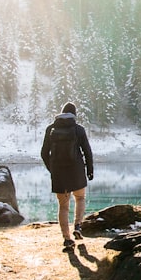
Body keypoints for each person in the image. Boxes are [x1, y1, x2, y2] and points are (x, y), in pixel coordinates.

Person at [40, 102, 94, 251]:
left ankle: (67, 239)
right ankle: (78, 225)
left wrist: (53, 170)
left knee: (63, 206)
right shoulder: (78, 130)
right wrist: (90, 170)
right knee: (80, 198)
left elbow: (44, 153)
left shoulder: (51, 129)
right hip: (76, 171)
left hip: (59, 174)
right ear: (74, 115)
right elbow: (87, 152)